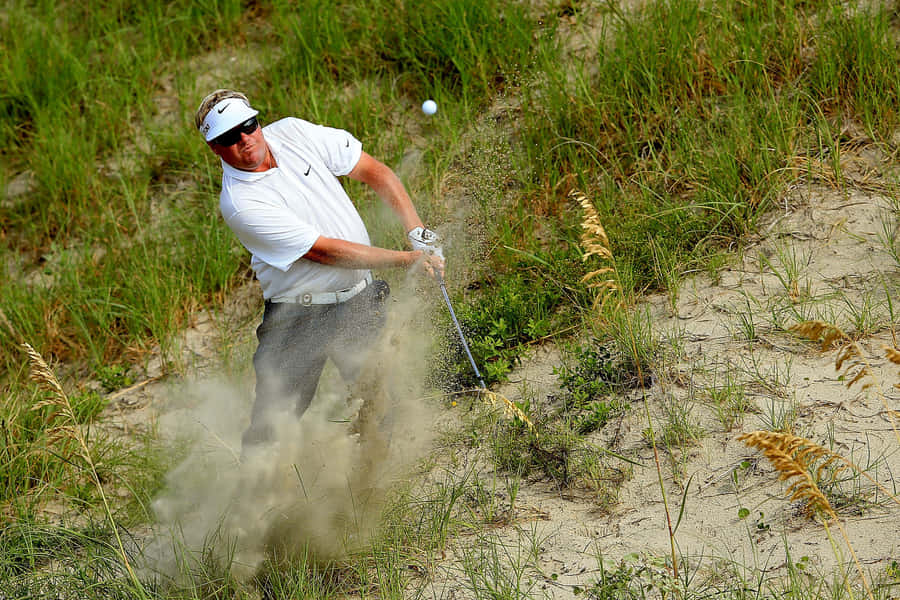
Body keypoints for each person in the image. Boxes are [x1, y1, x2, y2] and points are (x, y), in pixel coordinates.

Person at [194, 89, 443, 450]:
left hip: (358, 299)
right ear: (215, 148)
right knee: (274, 426)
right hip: (298, 319)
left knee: (380, 398)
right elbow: (324, 252)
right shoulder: (240, 203)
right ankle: (256, 485)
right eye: (230, 137)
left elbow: (374, 171)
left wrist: (416, 233)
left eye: (248, 126)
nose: (245, 139)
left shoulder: (294, 132)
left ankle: (375, 474)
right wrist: (407, 260)